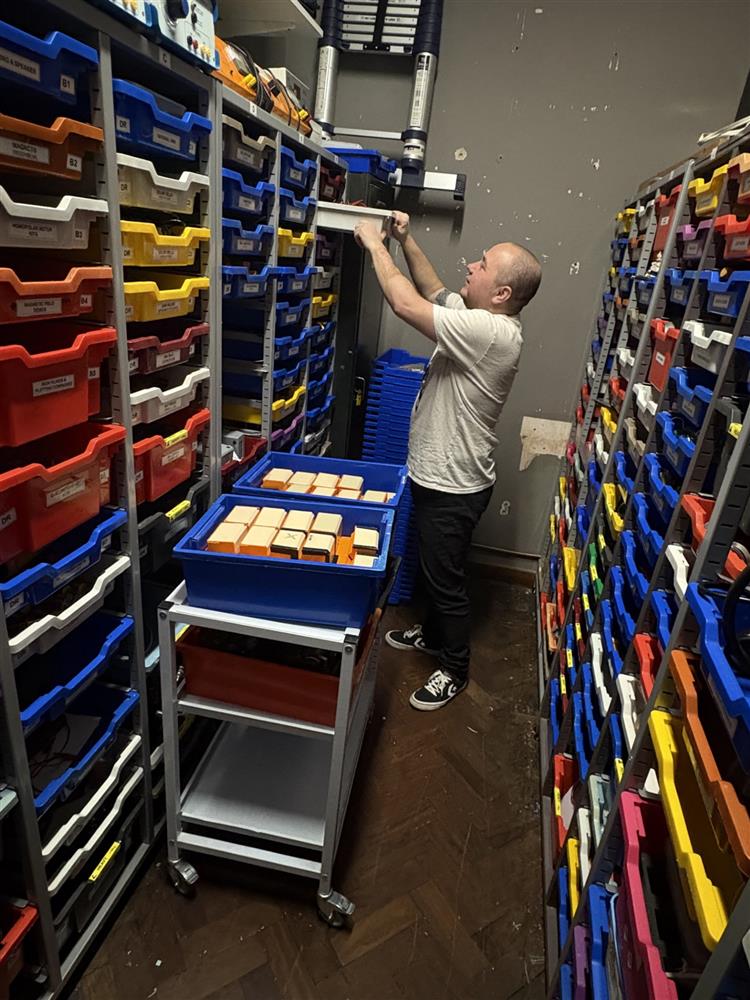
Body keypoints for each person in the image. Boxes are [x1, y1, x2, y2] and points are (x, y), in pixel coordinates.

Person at [354, 212, 542, 711]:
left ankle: (455, 669)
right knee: (436, 566)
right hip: (439, 476)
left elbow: (404, 302)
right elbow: (434, 289)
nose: (471, 266)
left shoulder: (491, 332)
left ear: (501, 293)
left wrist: (375, 245)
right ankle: (434, 635)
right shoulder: (479, 317)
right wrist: (405, 240)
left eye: (482, 264)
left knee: (446, 581)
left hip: (453, 486)